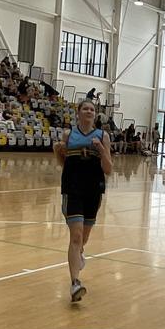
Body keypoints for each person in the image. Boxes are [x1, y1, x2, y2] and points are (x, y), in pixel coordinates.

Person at [53, 99, 112, 302]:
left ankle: (80, 253)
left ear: (95, 114)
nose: (89, 111)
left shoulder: (103, 136)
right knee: (76, 237)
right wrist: (60, 152)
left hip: (94, 190)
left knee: (84, 238)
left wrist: (102, 150)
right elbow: (63, 162)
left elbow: (109, 169)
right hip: (73, 188)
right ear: (78, 113)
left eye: (92, 109)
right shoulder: (69, 135)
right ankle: (75, 283)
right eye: (85, 108)